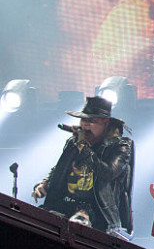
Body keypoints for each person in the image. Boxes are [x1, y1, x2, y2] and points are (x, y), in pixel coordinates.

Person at [31, 96, 135, 239]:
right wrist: (45, 183)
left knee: (80, 229)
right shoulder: (73, 142)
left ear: (105, 123)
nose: (85, 126)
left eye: (91, 121)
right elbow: (60, 167)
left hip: (97, 212)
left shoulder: (120, 146)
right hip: (64, 205)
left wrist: (83, 147)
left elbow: (108, 172)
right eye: (83, 120)